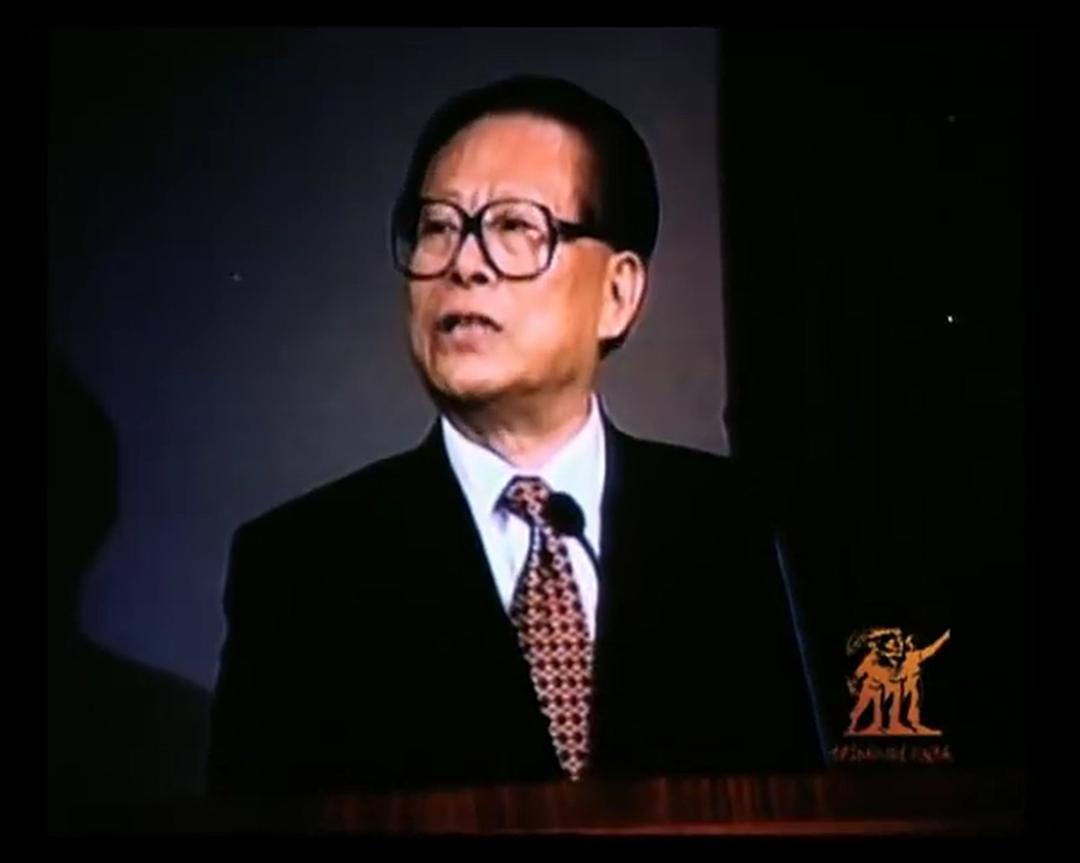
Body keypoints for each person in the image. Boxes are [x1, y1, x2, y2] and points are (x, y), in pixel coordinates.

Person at [207, 75, 822, 796]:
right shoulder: (300, 569)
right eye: (438, 226)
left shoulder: (741, 531)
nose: (464, 264)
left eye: (514, 227)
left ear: (618, 293)